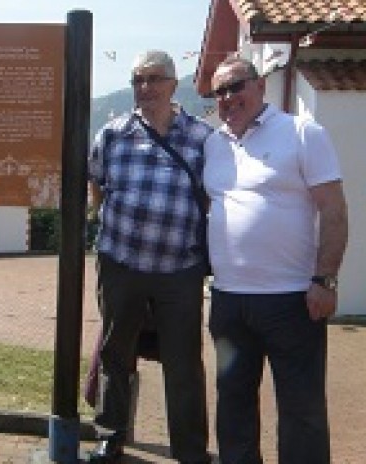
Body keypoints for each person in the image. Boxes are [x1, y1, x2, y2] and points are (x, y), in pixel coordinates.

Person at [204, 56, 348, 464]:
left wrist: (326, 280)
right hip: (229, 301)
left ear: (260, 85)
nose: (228, 98)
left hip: (291, 301)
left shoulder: (303, 133)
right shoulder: (214, 144)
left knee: (301, 409)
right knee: (233, 404)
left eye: (236, 86)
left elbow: (334, 211)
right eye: (219, 91)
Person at [86, 50, 211, 463]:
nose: (146, 88)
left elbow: (212, 196)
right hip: (121, 263)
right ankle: (110, 435)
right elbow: (97, 188)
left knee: (184, 365)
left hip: (179, 270)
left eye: (155, 78)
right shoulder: (113, 134)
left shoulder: (201, 138)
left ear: (174, 85)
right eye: (138, 79)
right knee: (116, 355)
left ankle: (190, 450)